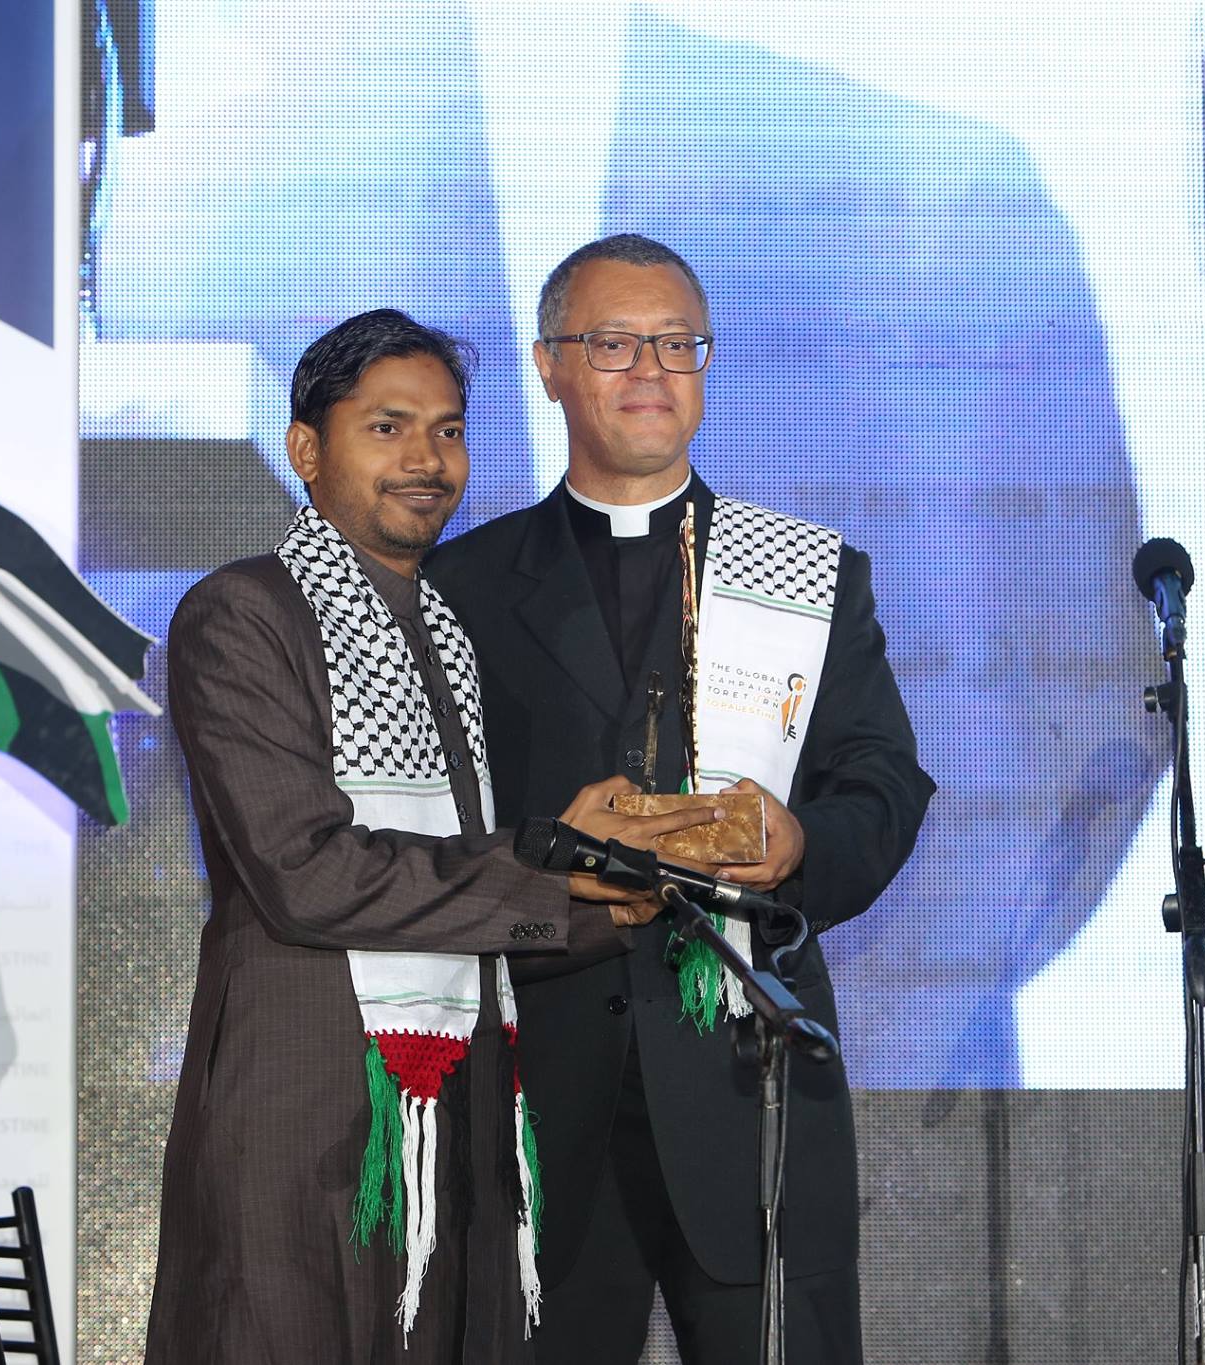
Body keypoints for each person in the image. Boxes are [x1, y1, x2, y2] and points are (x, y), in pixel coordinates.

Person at [144, 308, 723, 1365]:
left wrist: (635, 894)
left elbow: (476, 887)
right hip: (310, 1109)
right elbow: (307, 874)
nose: (427, 459)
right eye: (389, 428)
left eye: (449, 431)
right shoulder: (243, 614)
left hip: (460, 1115)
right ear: (306, 450)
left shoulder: (446, 632)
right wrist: (553, 871)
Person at [426, 236, 935, 1363]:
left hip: (750, 1095)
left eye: (677, 343)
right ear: (550, 365)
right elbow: (431, 837)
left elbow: (884, 785)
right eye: (614, 343)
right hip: (538, 1099)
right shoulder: (462, 587)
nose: (650, 369)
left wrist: (798, 842)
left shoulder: (803, 575)